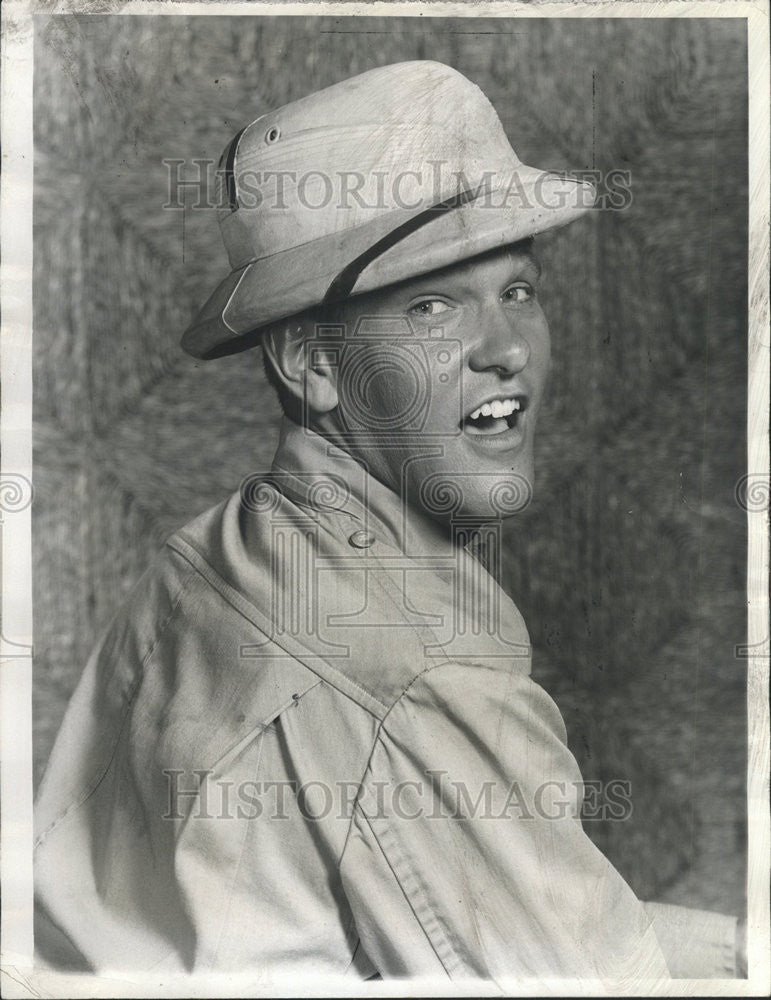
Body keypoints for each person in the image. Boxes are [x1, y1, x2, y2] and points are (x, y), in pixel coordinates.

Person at [34, 60, 741, 984]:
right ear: (309, 363)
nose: (503, 349)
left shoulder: (216, 551)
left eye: (518, 291)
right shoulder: (419, 674)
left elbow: (568, 936)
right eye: (433, 303)